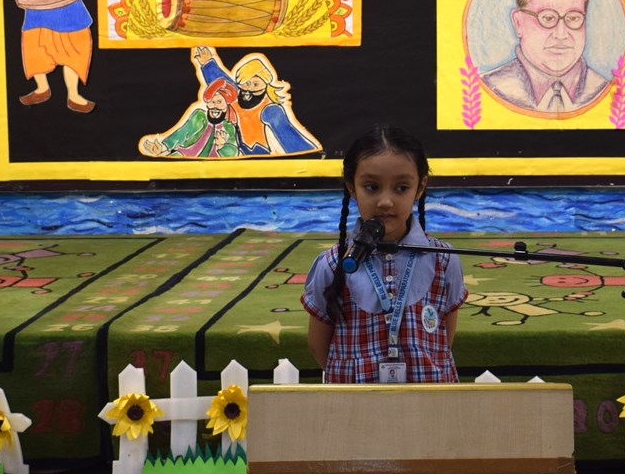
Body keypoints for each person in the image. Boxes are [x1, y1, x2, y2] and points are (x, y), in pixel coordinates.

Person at [301, 127, 467, 383]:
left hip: (428, 404)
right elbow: (319, 346)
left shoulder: (444, 261)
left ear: (420, 187)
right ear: (352, 187)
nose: (386, 201)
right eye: (372, 187)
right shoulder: (333, 265)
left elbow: (444, 340)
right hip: (356, 405)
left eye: (401, 188)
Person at [481, 0, 609, 113]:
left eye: (573, 18)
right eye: (548, 18)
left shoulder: (605, 91)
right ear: (518, 23)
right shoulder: (487, 89)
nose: (561, 34)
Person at [194, 46, 322, 155]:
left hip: (264, 153)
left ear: (265, 84)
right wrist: (207, 63)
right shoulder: (237, 98)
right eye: (245, 84)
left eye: (255, 84)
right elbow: (221, 81)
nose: (249, 89)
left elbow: (290, 136)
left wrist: (309, 155)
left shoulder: (271, 110)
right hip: (244, 152)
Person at [138, 78, 240, 158]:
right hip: (185, 155)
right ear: (208, 103)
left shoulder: (228, 126)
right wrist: (163, 147)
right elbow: (182, 133)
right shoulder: (199, 116)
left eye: (219, 102)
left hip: (212, 166)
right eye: (212, 102)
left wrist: (222, 146)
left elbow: (234, 152)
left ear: (226, 105)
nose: (215, 106)